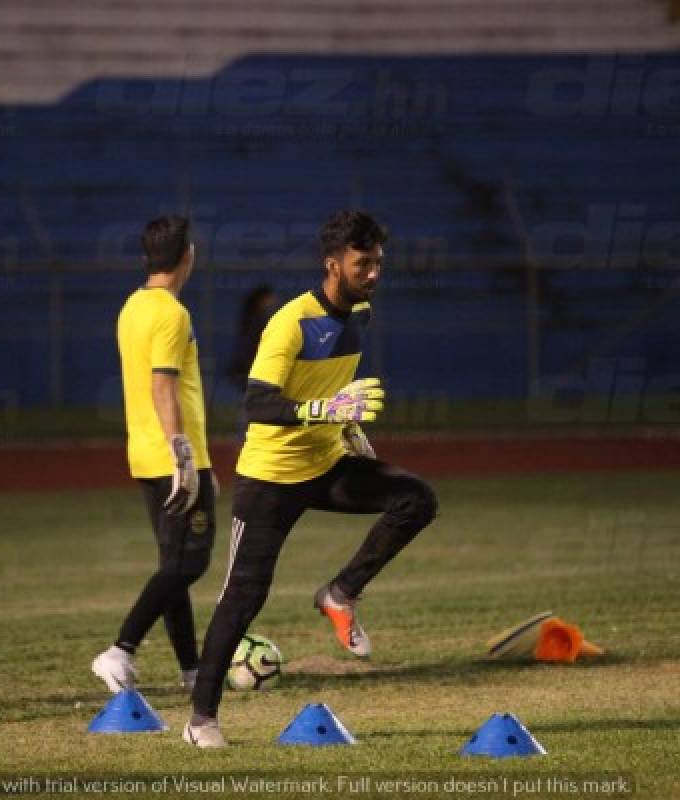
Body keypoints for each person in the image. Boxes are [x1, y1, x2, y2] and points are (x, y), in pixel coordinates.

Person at [184, 210, 438, 747]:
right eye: (362, 263)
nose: (372, 273)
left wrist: (345, 427)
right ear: (332, 265)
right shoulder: (289, 322)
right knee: (243, 598)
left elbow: (331, 390)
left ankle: (340, 594)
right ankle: (200, 720)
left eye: (377, 263)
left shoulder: (360, 314)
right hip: (270, 478)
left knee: (416, 499)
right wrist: (329, 408)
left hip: (325, 465)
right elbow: (258, 402)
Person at [91, 215, 218, 694]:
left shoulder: (131, 307)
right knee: (191, 564)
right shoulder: (171, 313)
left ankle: (191, 669)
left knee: (174, 565)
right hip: (172, 458)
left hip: (145, 455)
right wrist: (185, 459)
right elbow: (163, 385)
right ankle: (120, 650)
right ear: (189, 254)